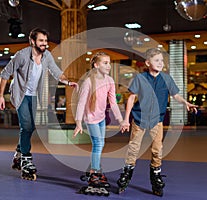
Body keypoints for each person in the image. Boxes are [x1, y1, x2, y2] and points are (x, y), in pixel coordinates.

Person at [0, 28, 77, 180]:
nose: (44, 44)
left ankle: (18, 153)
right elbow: (5, 73)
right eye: (41, 41)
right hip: (20, 95)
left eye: (46, 41)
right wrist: (0, 96)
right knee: (26, 126)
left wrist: (67, 81)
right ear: (33, 41)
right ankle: (26, 159)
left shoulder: (46, 56)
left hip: (34, 95)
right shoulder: (22, 55)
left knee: (32, 126)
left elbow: (56, 71)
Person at [117, 48, 197, 196]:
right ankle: (126, 175)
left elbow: (175, 95)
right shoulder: (140, 78)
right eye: (156, 60)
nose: (160, 63)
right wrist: (125, 119)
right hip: (139, 118)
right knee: (133, 148)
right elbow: (131, 98)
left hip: (157, 120)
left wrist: (185, 102)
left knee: (157, 150)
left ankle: (156, 177)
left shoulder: (167, 79)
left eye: (161, 60)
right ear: (148, 63)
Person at [73, 52, 128, 196]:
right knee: (98, 144)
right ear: (96, 65)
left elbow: (113, 103)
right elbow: (81, 103)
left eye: (109, 62)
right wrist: (78, 123)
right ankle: (94, 173)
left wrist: (121, 120)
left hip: (101, 117)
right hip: (90, 118)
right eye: (105, 63)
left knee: (101, 143)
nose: (108, 65)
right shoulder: (88, 82)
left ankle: (93, 168)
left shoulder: (109, 80)